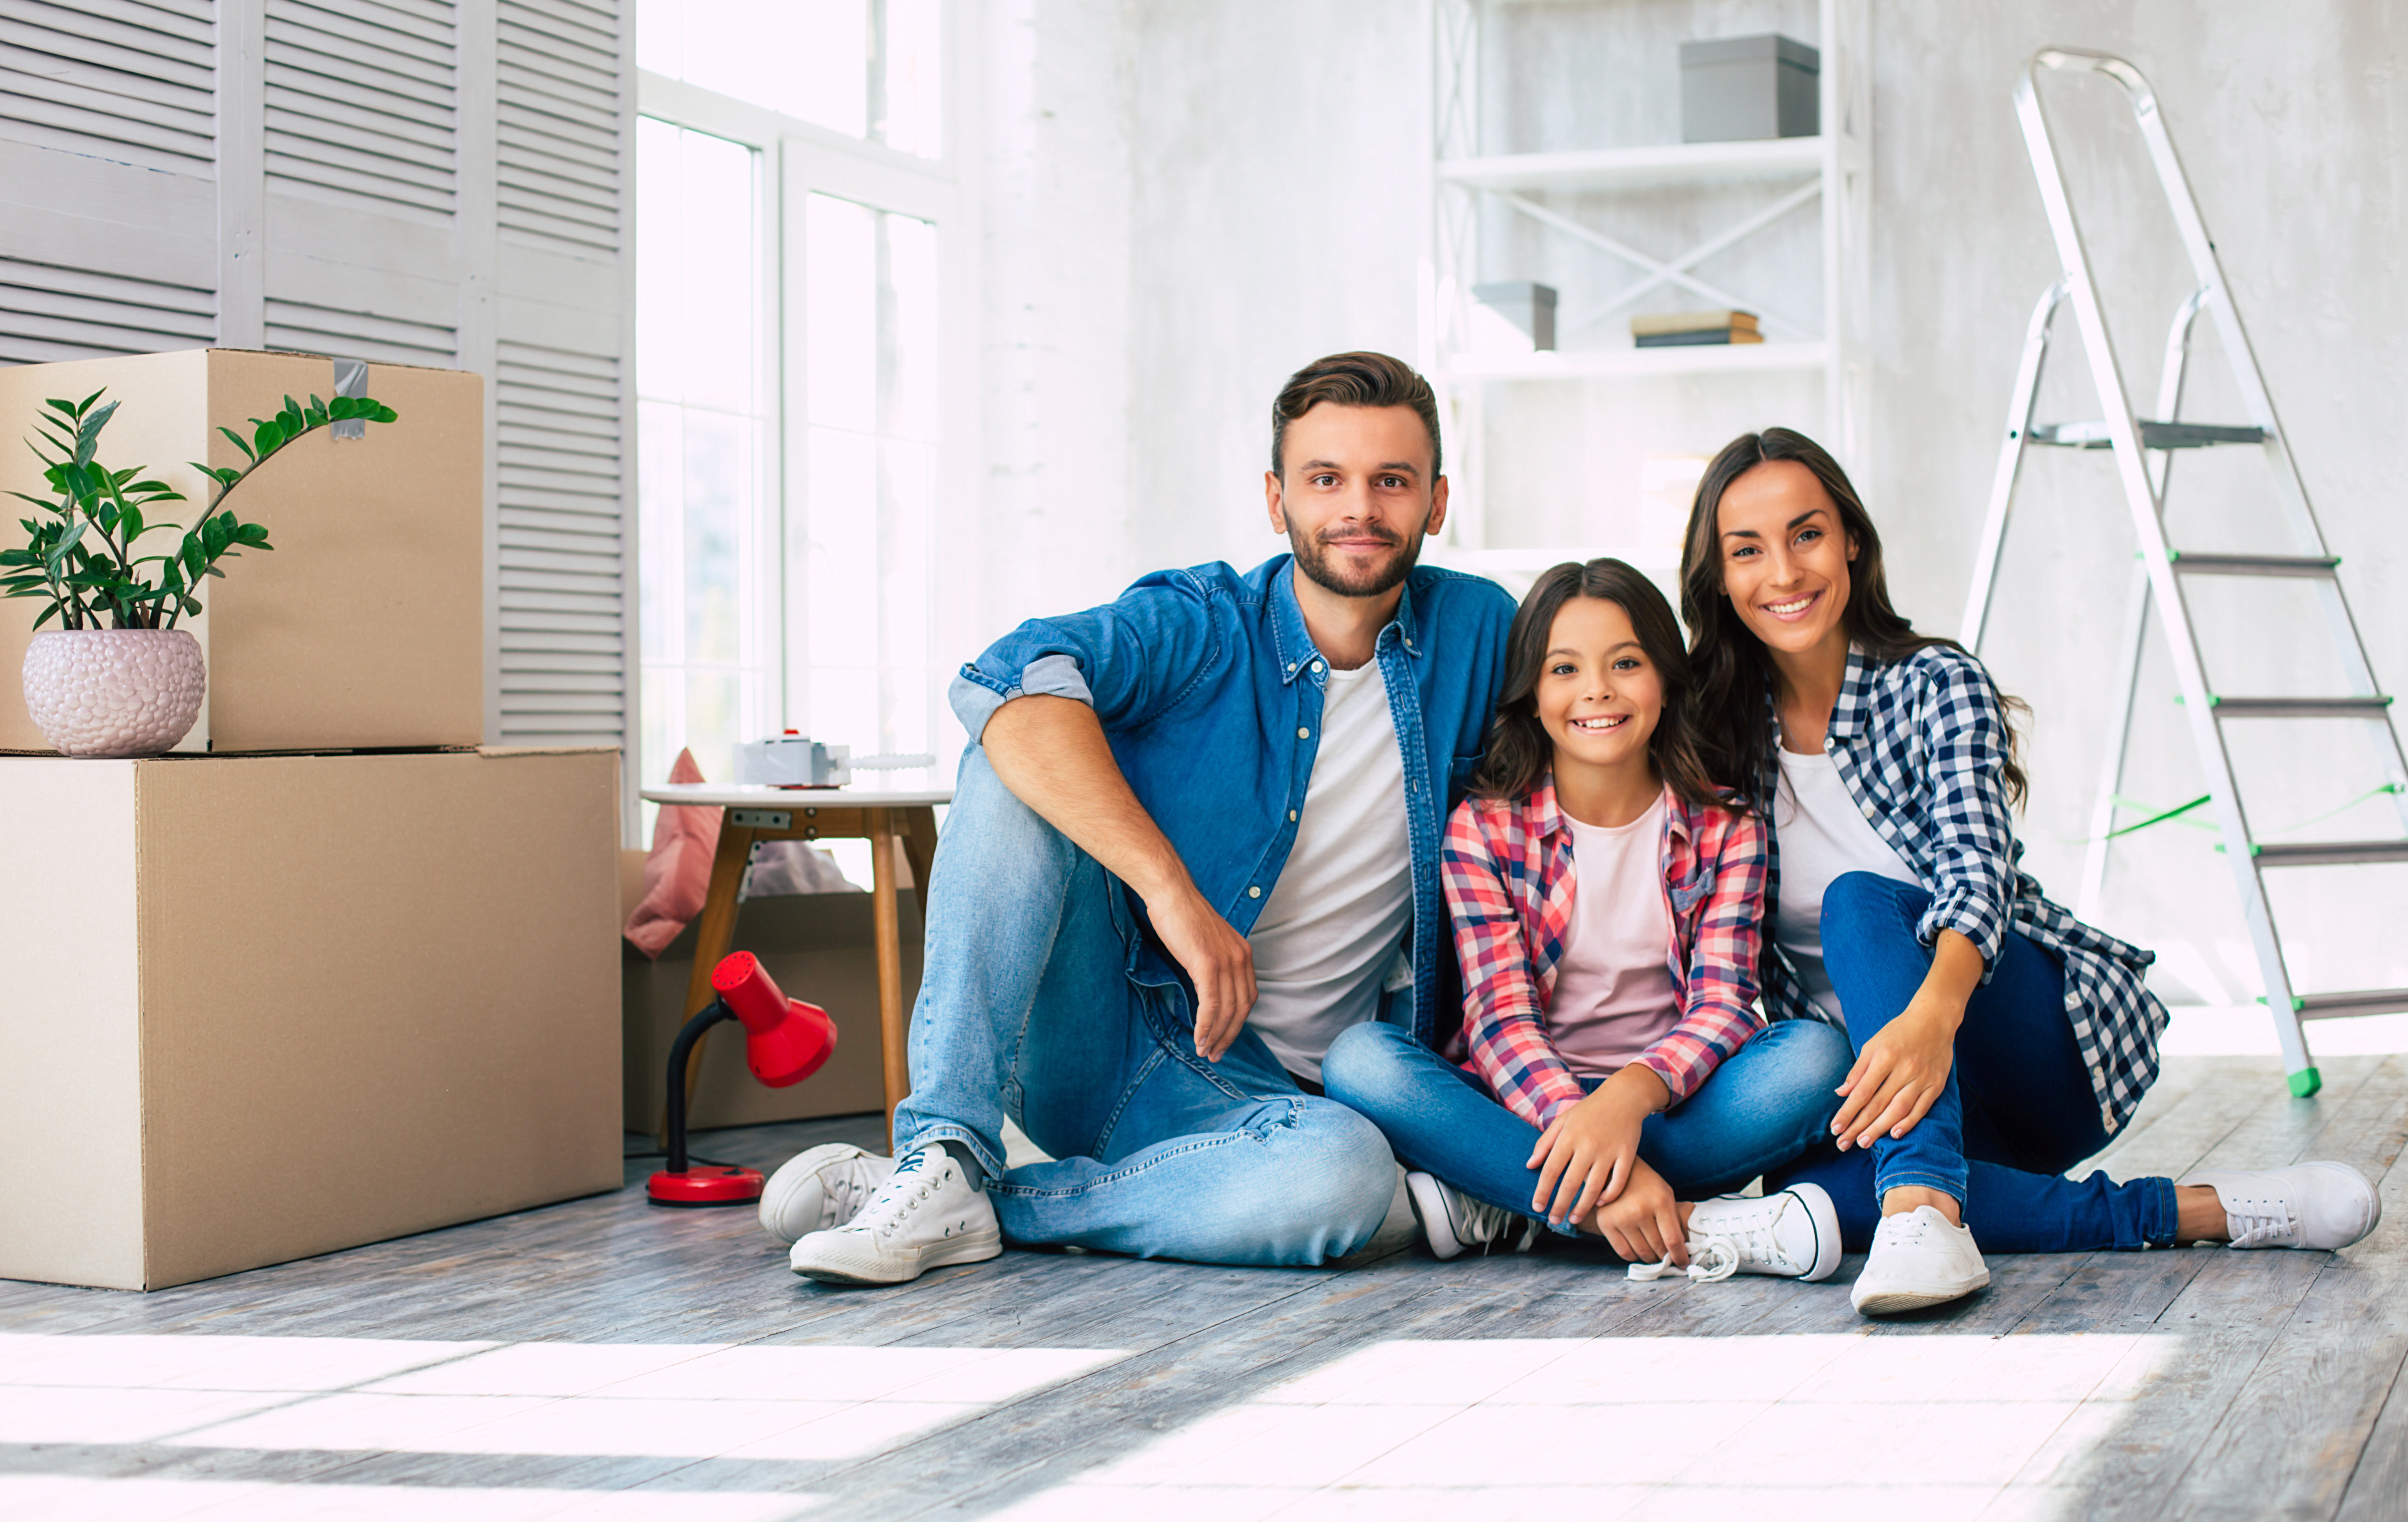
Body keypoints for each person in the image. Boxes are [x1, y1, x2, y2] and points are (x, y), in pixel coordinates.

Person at [759, 351, 1518, 1285]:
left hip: (1291, 1112)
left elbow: (1612, 721)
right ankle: (949, 1145)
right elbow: (1007, 678)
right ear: (1276, 500)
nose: (1358, 509)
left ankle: (978, 1200)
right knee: (1013, 750)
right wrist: (1173, 895)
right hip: (1113, 1036)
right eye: (1326, 479)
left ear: (1437, 502)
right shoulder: (1202, 623)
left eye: (1390, 482)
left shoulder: (1481, 632)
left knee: (1346, 1178)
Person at [1681, 426, 2380, 1315]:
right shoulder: (1715, 738)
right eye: (1748, 551)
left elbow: (1978, 878)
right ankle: (2196, 1210)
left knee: (1860, 904)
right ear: (1720, 577)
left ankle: (1915, 1202)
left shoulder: (1935, 683)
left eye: (1806, 534)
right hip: (1885, 1094)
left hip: (2022, 1043)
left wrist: (1931, 1020)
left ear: (1851, 538)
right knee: (1810, 1194)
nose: (1783, 573)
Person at [1324, 559, 1854, 1283]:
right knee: (1361, 1062)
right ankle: (1681, 1220)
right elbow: (1499, 1020)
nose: (1597, 690)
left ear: (1664, 679)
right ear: (1533, 696)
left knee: (1816, 1062)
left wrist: (1626, 1103)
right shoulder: (1483, 830)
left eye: (1626, 663)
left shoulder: (1729, 828)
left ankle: (1513, 1202)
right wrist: (1578, 1120)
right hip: (1523, 1103)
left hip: (1671, 1105)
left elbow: (1725, 1006)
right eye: (1565, 668)